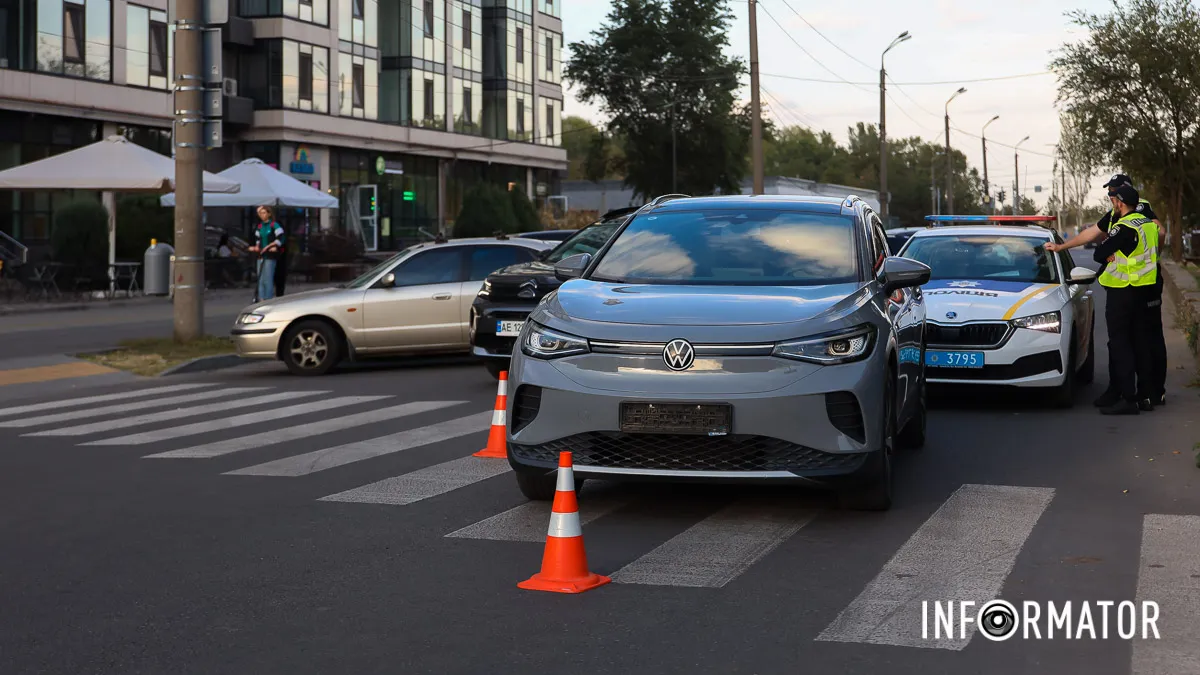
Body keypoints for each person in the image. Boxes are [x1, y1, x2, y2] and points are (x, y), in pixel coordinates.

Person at [1044, 173, 1167, 407]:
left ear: (1123, 194)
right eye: (1109, 192)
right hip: (1129, 284)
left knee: (1146, 339)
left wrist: (1150, 256)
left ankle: (1148, 392)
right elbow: (1093, 233)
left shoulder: (1141, 210)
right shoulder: (1115, 214)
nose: (1110, 197)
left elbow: (1160, 233)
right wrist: (1062, 247)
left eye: (1113, 193)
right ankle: (1125, 391)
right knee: (1129, 340)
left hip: (1141, 285)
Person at [1088, 184, 1159, 415]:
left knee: (1120, 344)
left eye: (1114, 202)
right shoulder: (1148, 225)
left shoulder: (1124, 226)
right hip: (1144, 289)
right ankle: (1145, 396)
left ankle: (1128, 398)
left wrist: (1109, 253)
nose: (1114, 205)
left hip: (1123, 290)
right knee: (1141, 343)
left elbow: (1099, 253)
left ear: (1119, 203)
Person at [248, 205, 285, 301]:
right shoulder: (260, 226)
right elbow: (257, 240)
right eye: (260, 213)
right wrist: (256, 247)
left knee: (268, 278)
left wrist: (271, 246)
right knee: (261, 278)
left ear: (269, 214)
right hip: (261, 255)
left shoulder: (274, 225)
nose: (262, 215)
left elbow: (281, 237)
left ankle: (268, 298)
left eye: (264, 213)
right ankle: (261, 298)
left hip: (270, 256)